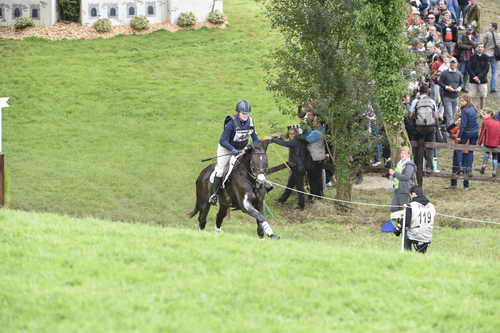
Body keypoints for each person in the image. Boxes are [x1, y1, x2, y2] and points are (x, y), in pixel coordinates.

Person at [209, 100, 260, 205]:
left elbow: (255, 138)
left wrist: (254, 145)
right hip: (227, 148)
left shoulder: (250, 122)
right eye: (243, 113)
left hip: (241, 148)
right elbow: (223, 141)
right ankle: (214, 195)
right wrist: (233, 150)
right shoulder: (231, 124)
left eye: (247, 113)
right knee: (221, 169)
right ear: (238, 112)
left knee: (252, 164)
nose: (246, 115)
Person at [272, 126, 308, 210]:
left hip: (298, 168)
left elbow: (285, 144)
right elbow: (285, 142)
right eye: (290, 134)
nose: (291, 135)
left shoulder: (295, 141)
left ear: (296, 134)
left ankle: (301, 206)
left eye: (293, 134)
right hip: (296, 167)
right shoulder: (298, 140)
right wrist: (278, 137)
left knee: (300, 188)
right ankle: (281, 200)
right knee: (290, 185)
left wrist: (272, 139)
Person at [394, 186, 436, 254]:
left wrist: (397, 229)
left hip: (415, 234)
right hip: (427, 236)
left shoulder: (411, 205)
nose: (410, 197)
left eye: (410, 195)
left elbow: (405, 223)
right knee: (421, 255)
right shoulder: (432, 206)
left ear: (413, 194)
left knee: (405, 232)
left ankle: (407, 254)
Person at [409, 85, 440, 176]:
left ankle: (417, 168)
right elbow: (436, 116)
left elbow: (411, 114)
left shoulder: (415, 101)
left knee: (417, 147)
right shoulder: (432, 101)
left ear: (419, 92)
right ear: (427, 92)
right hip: (430, 127)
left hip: (418, 128)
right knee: (429, 147)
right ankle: (429, 167)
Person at [302, 114, 326, 199]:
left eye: (314, 121)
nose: (313, 122)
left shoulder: (317, 132)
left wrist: (300, 135)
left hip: (315, 158)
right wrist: (305, 129)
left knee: (313, 178)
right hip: (319, 157)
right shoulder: (320, 130)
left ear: (318, 123)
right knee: (317, 177)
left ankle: (315, 195)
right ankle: (318, 194)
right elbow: (309, 133)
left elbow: (307, 139)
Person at [458, 95, 479, 189]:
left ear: (466, 101)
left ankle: (461, 167)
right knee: (471, 151)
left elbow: (463, 124)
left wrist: (459, 136)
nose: (460, 102)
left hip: (467, 132)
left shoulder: (465, 111)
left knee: (460, 149)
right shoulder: (473, 108)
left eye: (462, 101)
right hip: (475, 132)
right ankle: (469, 168)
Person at [389, 146, 417, 213]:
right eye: (401, 153)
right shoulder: (400, 163)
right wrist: (392, 176)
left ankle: (405, 223)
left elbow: (406, 177)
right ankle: (396, 222)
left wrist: (394, 174)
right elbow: (397, 175)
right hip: (397, 188)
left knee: (404, 210)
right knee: (393, 209)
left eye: (404, 153)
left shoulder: (409, 165)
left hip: (405, 190)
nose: (402, 155)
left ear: (408, 155)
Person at [438, 57, 464, 127]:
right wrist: (447, 87)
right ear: (449, 64)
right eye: (451, 63)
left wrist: (459, 88)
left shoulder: (459, 73)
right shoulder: (444, 73)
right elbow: (440, 82)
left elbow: (462, 83)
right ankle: (450, 130)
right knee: (449, 114)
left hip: (455, 97)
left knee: (453, 114)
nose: (452, 64)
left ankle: (448, 127)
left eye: (454, 63)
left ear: (457, 64)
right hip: (446, 96)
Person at [478, 109, 500, 177]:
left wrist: (479, 142)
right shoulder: (498, 123)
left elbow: (482, 133)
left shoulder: (485, 122)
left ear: (490, 114)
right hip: (496, 143)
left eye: (484, 114)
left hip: (487, 142)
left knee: (486, 153)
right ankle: (494, 170)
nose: (483, 116)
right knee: (495, 156)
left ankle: (484, 165)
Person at [468, 43, 490, 110]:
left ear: (483, 49)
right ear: (476, 48)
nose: (480, 48)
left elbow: (486, 69)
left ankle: (482, 110)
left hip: (482, 80)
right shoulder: (472, 57)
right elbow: (469, 68)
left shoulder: (486, 57)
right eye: (479, 47)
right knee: (471, 97)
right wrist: (474, 77)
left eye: (481, 47)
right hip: (472, 80)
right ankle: (472, 109)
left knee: (482, 97)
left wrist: (479, 77)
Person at [482, 22, 499, 93]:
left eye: (490, 26)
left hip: (487, 54)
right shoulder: (499, 35)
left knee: (484, 71)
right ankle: (493, 88)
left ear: (494, 27)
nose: (489, 27)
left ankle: (483, 87)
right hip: (495, 55)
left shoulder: (487, 34)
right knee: (494, 72)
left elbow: (483, 44)